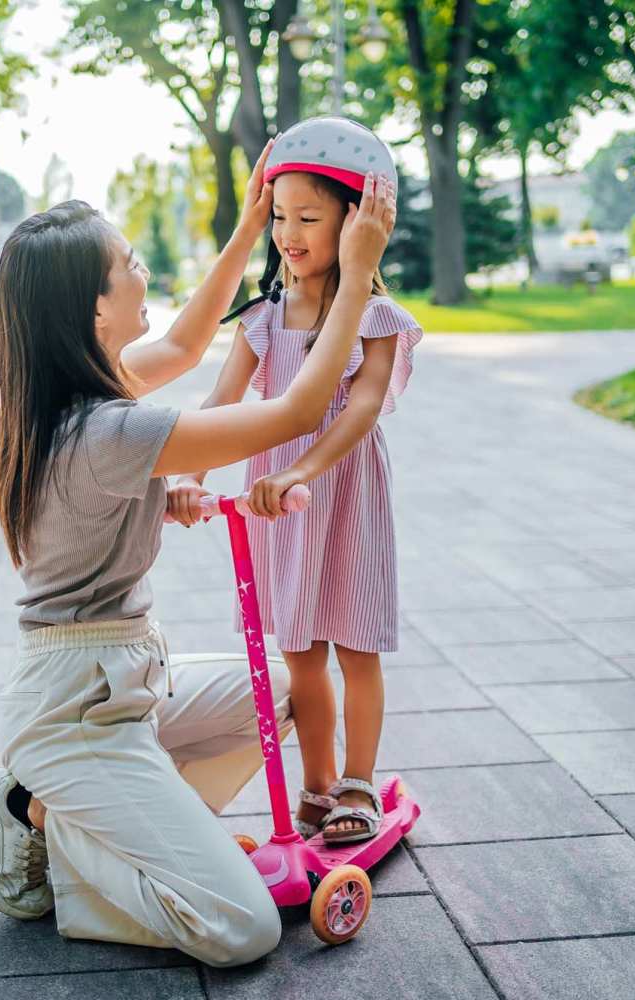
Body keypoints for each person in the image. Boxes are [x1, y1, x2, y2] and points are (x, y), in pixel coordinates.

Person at [0, 127, 397, 967]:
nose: (144, 272)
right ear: (94, 306)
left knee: (283, 691)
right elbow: (297, 413)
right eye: (129, 264)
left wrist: (246, 230)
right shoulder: (108, 423)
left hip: (124, 675)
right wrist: (356, 274)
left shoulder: (73, 388)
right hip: (76, 706)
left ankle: (92, 820)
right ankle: (34, 812)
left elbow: (192, 346)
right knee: (244, 930)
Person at [167, 117, 421, 846]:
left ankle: (359, 783)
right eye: (280, 216)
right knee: (301, 655)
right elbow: (219, 405)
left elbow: (363, 407)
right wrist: (188, 475)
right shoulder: (263, 318)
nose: (289, 233)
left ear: (358, 221)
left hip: (343, 498)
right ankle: (315, 789)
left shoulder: (375, 315)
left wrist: (300, 467)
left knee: (356, 648)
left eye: (309, 217)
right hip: (279, 509)